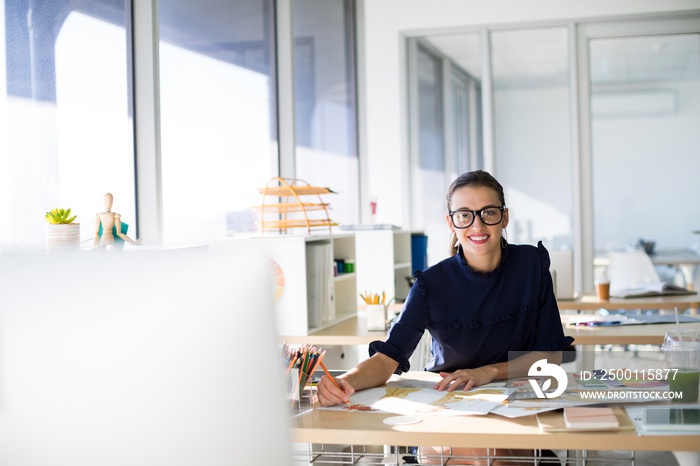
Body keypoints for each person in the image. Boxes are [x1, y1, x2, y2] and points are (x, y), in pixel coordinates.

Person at [316, 170, 574, 465]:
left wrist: (486, 372)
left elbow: (549, 357)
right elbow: (387, 359)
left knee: (497, 457)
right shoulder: (430, 284)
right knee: (478, 456)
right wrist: (345, 381)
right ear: (451, 221)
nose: (477, 224)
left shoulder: (531, 264)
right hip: (449, 406)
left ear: (504, 217)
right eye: (465, 215)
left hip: (519, 401)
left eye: (488, 212)